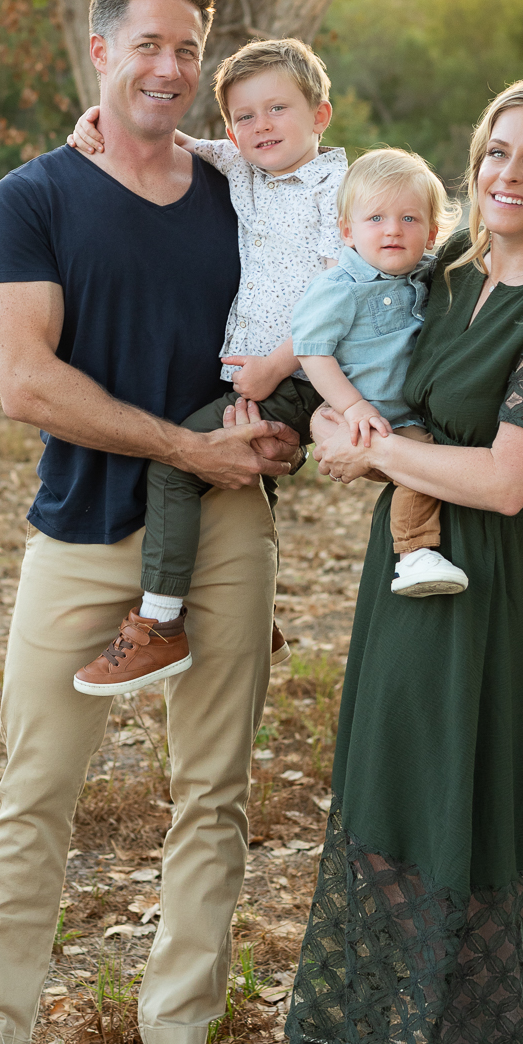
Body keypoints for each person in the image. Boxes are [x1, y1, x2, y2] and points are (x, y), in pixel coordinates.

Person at [0, 0, 299, 1044]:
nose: (172, 68)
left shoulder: (243, 186)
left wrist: (279, 431)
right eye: (149, 45)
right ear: (101, 51)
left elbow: (341, 268)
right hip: (84, 525)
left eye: (190, 48)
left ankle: (178, 1038)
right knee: (35, 790)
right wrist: (181, 453)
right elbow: (25, 380)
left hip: (228, 522)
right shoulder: (31, 197)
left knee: (213, 790)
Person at [278, 72, 523, 1044]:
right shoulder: (445, 270)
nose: (507, 175)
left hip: (481, 579)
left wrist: (374, 448)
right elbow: (349, 344)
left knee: (467, 800)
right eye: (494, 152)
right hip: (402, 571)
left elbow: (508, 479)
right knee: (393, 790)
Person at [67, 36, 349, 697]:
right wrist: (94, 119)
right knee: (246, 483)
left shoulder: (337, 186)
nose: (260, 127)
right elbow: (168, 140)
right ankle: (254, 610)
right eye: (244, 117)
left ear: (320, 115)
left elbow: (346, 286)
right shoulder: (243, 165)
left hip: (311, 372)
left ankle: (160, 622)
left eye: (277, 109)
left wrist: (275, 367)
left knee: (178, 461)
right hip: (262, 370)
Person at [292, 147, 467, 599]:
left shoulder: (432, 276)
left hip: (413, 412)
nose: (392, 229)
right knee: (421, 464)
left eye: (409, 219)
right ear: (348, 232)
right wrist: (351, 407)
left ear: (431, 233)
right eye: (376, 219)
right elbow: (312, 351)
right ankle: (414, 554)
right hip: (374, 419)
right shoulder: (340, 288)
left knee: (429, 457)